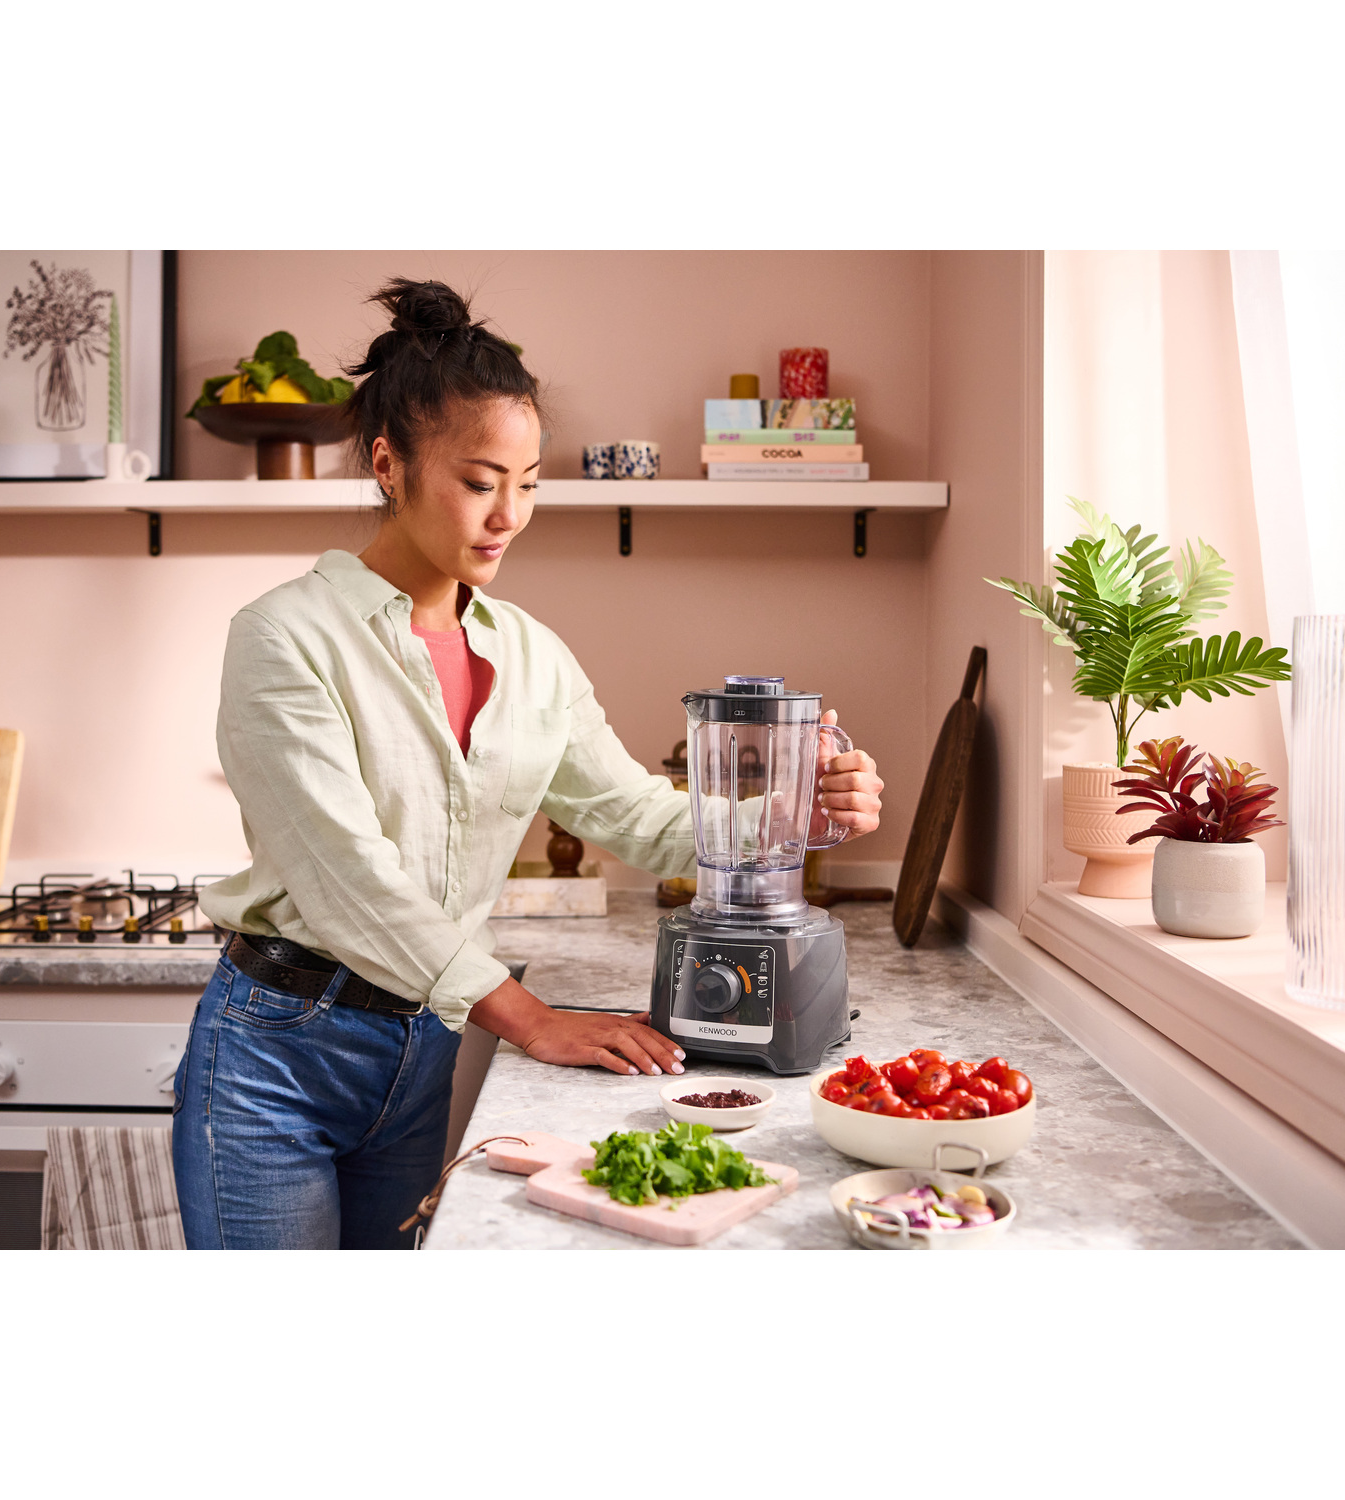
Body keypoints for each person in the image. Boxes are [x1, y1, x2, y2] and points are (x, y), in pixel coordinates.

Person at [171, 278, 885, 1249]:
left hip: (420, 1049)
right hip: (278, 1055)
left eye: (530, 482)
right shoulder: (285, 637)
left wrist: (798, 814)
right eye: (479, 481)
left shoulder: (534, 658)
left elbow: (639, 816)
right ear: (390, 463)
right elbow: (346, 879)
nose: (509, 514)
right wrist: (530, 1017)